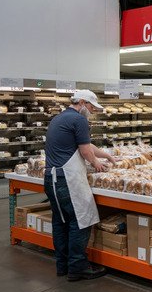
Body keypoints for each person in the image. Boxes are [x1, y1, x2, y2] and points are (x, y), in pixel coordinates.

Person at [44, 89, 117, 281]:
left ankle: (63, 265)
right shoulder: (79, 120)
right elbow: (85, 151)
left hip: (51, 178)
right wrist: (96, 164)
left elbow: (84, 144)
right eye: (91, 108)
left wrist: (107, 155)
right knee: (81, 221)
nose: (91, 112)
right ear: (82, 103)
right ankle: (78, 267)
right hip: (67, 179)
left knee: (61, 222)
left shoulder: (59, 118)